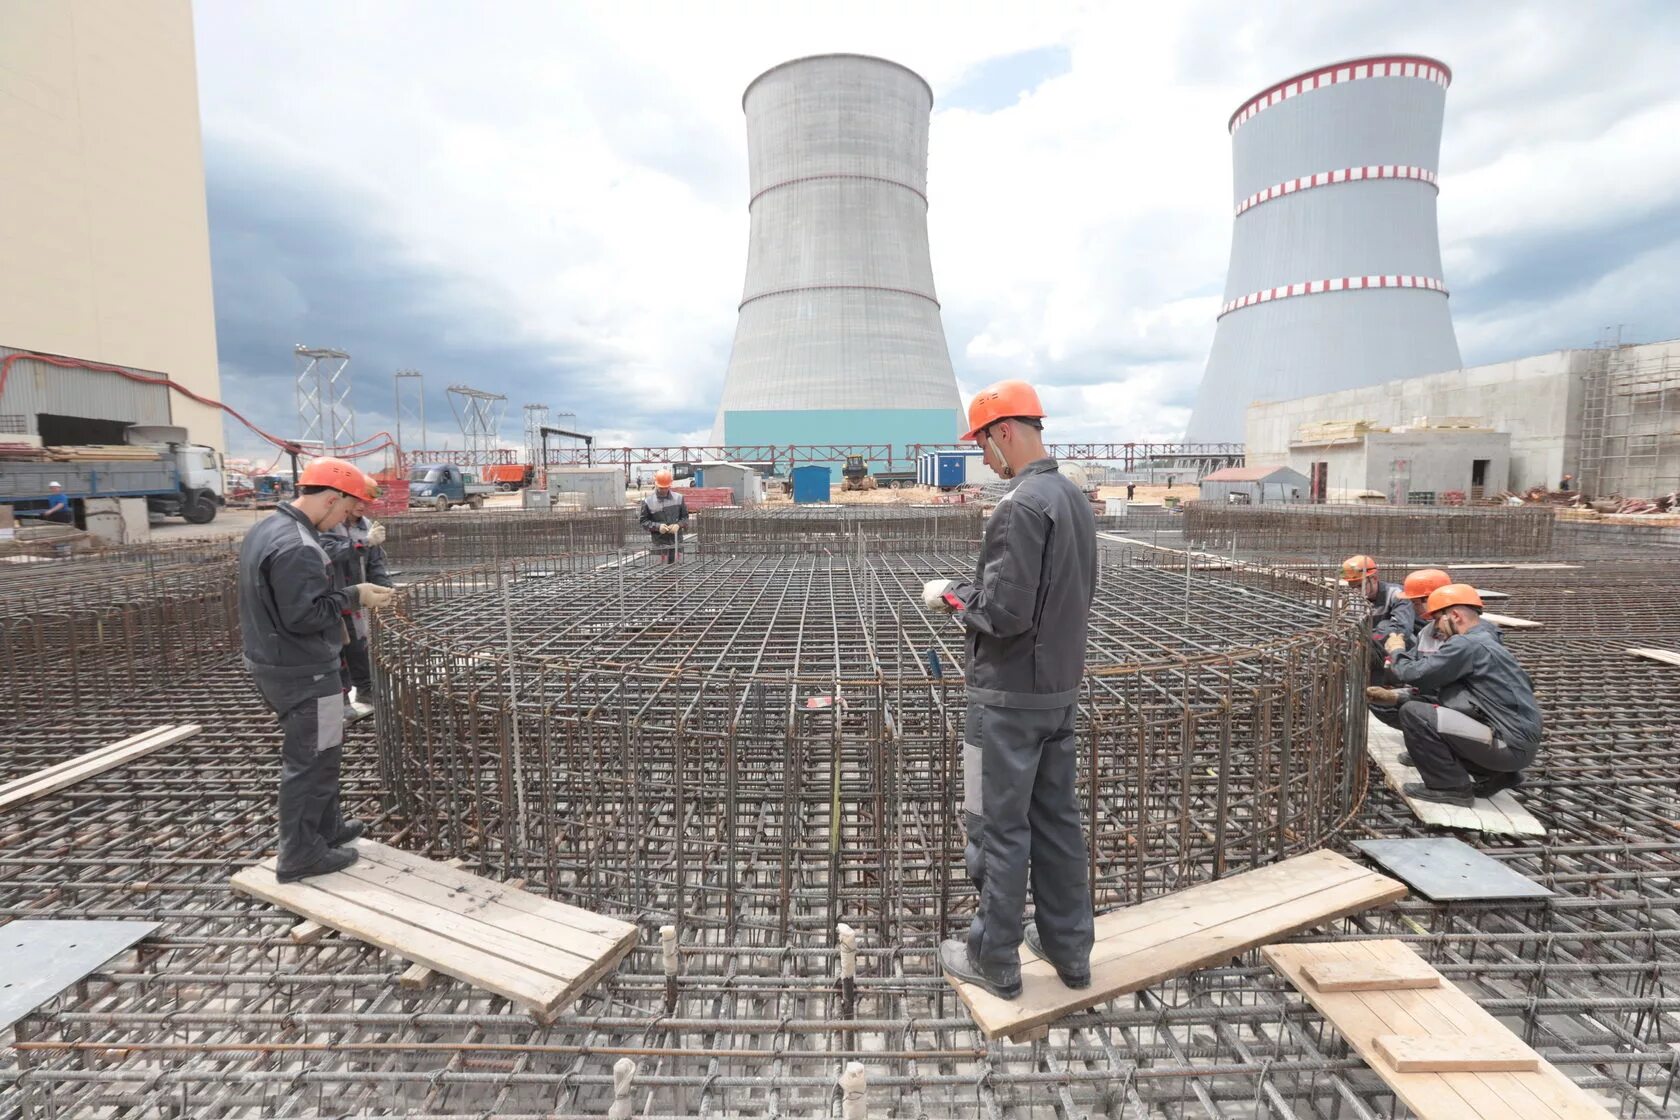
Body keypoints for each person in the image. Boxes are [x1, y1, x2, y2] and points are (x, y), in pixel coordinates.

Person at [920, 379, 1097, 1001]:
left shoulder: (1020, 504)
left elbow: (1004, 613)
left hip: (1006, 699)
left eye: (983, 444)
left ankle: (994, 956)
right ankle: (1069, 948)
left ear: (1003, 432)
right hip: (1057, 692)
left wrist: (950, 597)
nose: (984, 459)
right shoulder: (1072, 498)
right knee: (1056, 820)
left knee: (996, 826)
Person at [238, 457, 396, 882]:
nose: (345, 520)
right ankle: (300, 855)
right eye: (345, 511)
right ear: (331, 498)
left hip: (280, 663)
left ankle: (325, 827)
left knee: (324, 752)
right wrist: (354, 594)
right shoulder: (298, 546)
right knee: (311, 760)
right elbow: (304, 616)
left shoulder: (268, 528)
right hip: (304, 671)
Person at [1367, 584, 1542, 807]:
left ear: (1455, 615)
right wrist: (1397, 697)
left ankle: (1450, 787)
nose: (1436, 626)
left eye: (1438, 619)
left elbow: (1412, 674)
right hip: (1516, 744)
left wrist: (1396, 650)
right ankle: (1497, 774)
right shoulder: (1485, 638)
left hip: (1507, 744)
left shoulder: (1467, 643)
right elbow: (1456, 698)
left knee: (1415, 714)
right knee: (1425, 708)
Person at [322, 474, 391, 721]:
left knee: (360, 649)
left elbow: (375, 562)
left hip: (357, 601)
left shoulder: (366, 525)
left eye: (366, 502)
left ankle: (366, 691)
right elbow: (327, 551)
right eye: (358, 500)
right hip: (332, 597)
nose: (362, 506)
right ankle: (341, 699)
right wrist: (363, 542)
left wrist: (385, 588)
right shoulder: (328, 523)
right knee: (336, 651)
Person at [1370, 568, 1451, 729]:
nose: (1412, 608)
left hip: (1461, 704)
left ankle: (1444, 746)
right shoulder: (1427, 632)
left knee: (1412, 710)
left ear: (1430, 599)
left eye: (1415, 603)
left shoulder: (1465, 635)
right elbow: (1413, 671)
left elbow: (1418, 674)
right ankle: (1420, 739)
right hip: (1434, 693)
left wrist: (1396, 651)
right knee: (1380, 704)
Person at [1341, 554, 1415, 674]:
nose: (1356, 591)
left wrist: (1366, 639)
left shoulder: (1397, 594)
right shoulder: (1354, 599)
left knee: (1385, 626)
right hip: (1372, 652)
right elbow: (1349, 625)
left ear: (1374, 578)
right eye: (1352, 587)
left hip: (1403, 649)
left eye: (1360, 585)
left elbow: (1402, 629)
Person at [638, 469, 688, 564]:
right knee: (660, 574)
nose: (664, 490)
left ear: (670, 485)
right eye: (661, 488)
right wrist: (658, 527)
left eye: (666, 487)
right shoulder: (648, 501)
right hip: (659, 544)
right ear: (656, 484)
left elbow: (685, 518)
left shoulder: (679, 498)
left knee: (678, 572)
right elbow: (643, 522)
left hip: (676, 543)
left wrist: (678, 525)